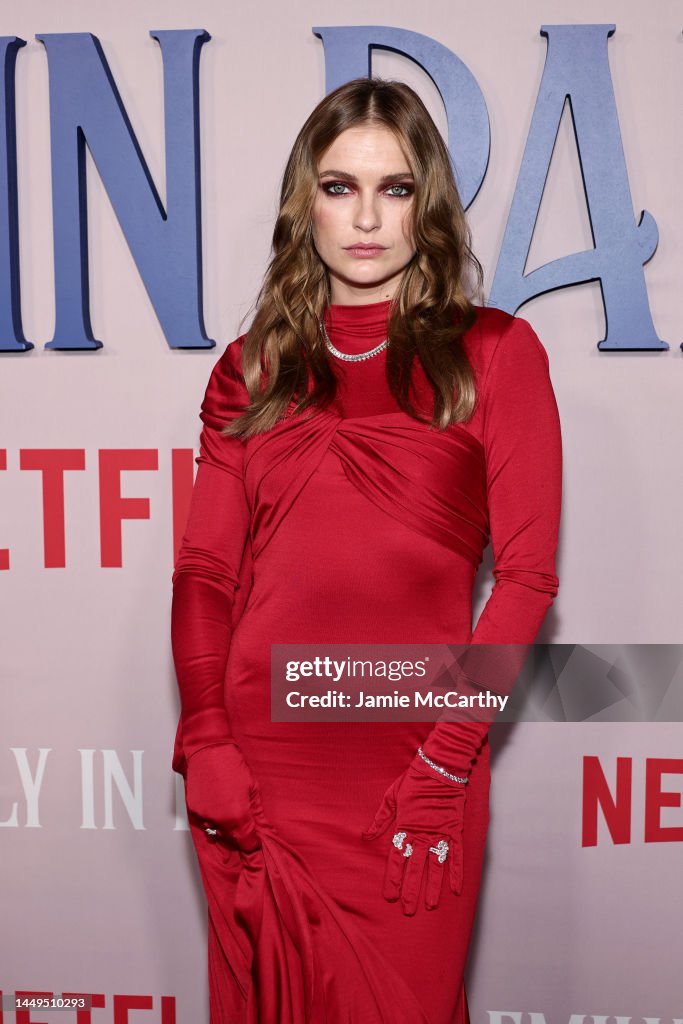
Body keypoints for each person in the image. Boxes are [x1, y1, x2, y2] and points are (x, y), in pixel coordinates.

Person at [170, 76, 562, 1024]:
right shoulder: (254, 365)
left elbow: (525, 581)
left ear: (425, 203)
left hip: (411, 764)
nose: (365, 219)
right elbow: (204, 574)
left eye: (394, 189)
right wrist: (208, 736)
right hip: (261, 771)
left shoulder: (496, 354)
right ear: (303, 201)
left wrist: (443, 765)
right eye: (339, 186)